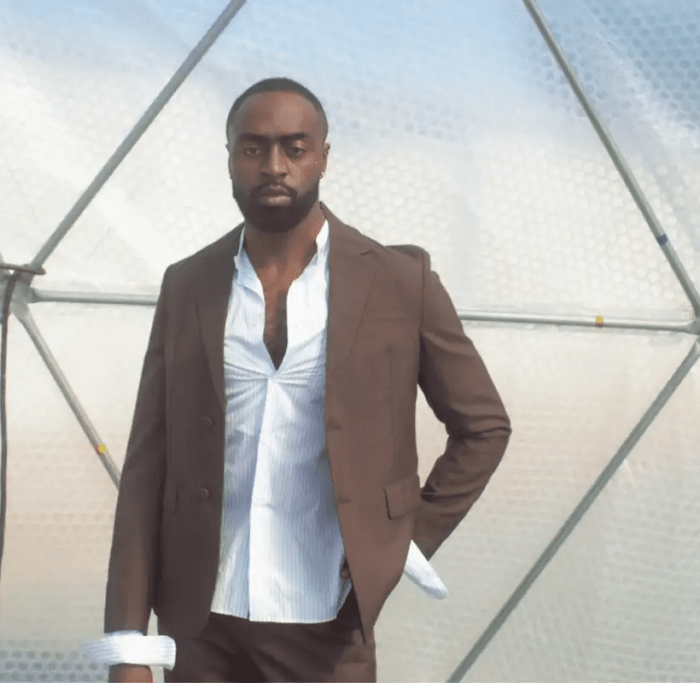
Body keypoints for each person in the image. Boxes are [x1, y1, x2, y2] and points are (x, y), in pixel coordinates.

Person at [103, 77, 511, 682]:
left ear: (323, 157)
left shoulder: (399, 281)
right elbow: (147, 465)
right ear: (230, 158)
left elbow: (483, 427)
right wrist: (127, 646)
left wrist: (403, 542)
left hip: (328, 626)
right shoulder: (188, 284)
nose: (274, 166)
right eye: (253, 148)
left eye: (295, 148)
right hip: (200, 626)